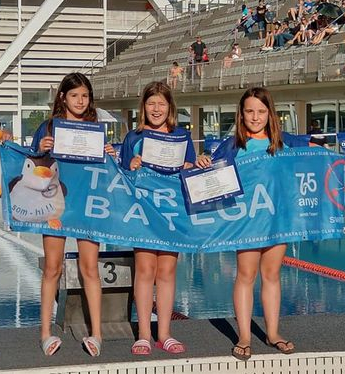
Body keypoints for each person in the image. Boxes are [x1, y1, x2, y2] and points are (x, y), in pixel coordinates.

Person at [196, 87, 294, 361]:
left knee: (272, 275)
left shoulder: (283, 142)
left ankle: (273, 333)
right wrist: (203, 162)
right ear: (241, 114)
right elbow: (212, 175)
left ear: (270, 114)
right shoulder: (232, 145)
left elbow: (313, 153)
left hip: (276, 219)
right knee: (245, 275)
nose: (255, 117)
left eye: (261, 111)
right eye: (250, 111)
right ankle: (244, 336)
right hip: (246, 220)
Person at [30, 72, 116, 357]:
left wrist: (110, 155)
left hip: (87, 205)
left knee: (90, 269)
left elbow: (106, 174)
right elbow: (31, 167)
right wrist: (39, 150)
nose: (80, 100)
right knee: (52, 268)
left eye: (85, 95)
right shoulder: (48, 127)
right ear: (63, 97)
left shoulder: (96, 129)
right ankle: (45, 332)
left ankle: (97, 334)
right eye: (74, 95)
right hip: (56, 203)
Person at [120, 81, 196, 356]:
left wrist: (190, 166)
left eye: (161, 104)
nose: (156, 109)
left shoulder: (181, 137)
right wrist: (130, 166)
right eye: (151, 103)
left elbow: (190, 174)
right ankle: (143, 333)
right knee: (145, 270)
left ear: (170, 107)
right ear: (144, 107)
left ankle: (164, 333)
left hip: (171, 212)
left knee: (166, 272)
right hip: (143, 211)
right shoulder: (133, 138)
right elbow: (122, 180)